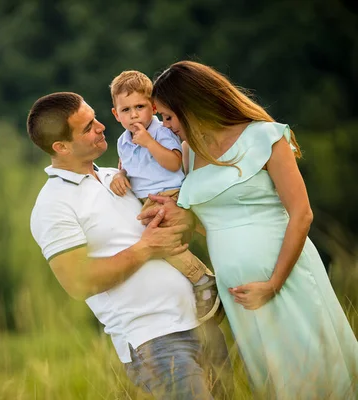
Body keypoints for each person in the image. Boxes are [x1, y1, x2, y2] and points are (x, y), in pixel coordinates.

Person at [146, 60, 358, 399]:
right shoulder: (188, 153)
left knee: (315, 373)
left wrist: (273, 283)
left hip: (284, 278)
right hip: (240, 294)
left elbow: (301, 214)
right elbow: (214, 221)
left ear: (191, 106)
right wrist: (176, 215)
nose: (165, 126)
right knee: (273, 380)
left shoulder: (264, 136)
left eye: (169, 116)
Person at [27, 91, 229, 399]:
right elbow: (78, 283)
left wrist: (182, 220)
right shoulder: (53, 204)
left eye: (95, 118)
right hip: (155, 342)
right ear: (61, 146)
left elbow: (170, 227)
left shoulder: (118, 176)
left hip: (202, 324)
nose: (101, 127)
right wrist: (146, 248)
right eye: (87, 127)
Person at [109, 70, 220, 323]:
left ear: (154, 107)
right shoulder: (123, 141)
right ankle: (192, 282)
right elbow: (125, 165)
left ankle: (202, 278)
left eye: (140, 106)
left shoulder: (160, 133)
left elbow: (173, 163)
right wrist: (120, 175)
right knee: (158, 243)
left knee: (157, 240)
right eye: (126, 110)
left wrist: (148, 142)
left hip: (170, 192)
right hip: (148, 197)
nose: (134, 114)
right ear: (116, 114)